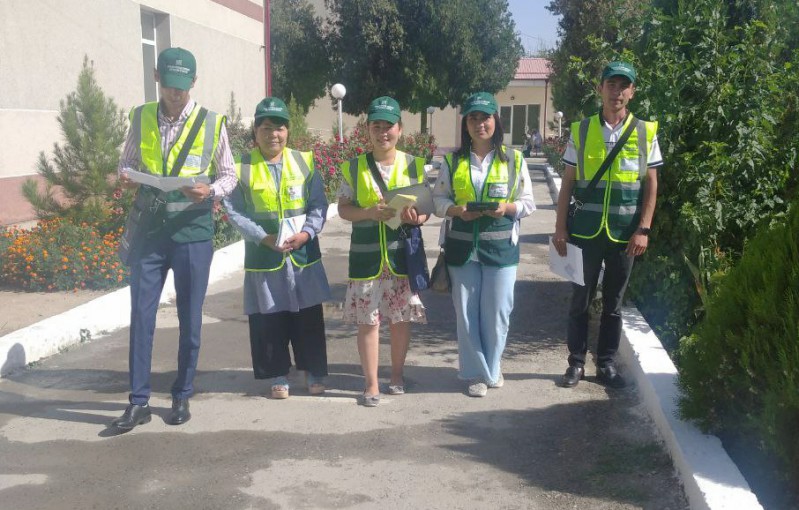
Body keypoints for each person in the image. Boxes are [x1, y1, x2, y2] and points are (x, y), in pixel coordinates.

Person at [113, 47, 237, 430]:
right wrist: (126, 174)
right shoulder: (141, 116)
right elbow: (127, 162)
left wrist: (211, 191)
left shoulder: (213, 123)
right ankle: (138, 402)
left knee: (189, 318)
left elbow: (230, 175)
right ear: (157, 78)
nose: (174, 94)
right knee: (141, 316)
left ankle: (182, 395)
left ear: (193, 84)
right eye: (169, 86)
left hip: (192, 232)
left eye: (181, 88)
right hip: (151, 231)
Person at [553, 61, 663, 389]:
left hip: (624, 234)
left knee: (614, 304)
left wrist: (643, 229)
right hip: (585, 231)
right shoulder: (582, 130)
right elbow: (568, 183)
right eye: (611, 85)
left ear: (632, 92)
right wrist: (560, 228)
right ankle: (575, 364)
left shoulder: (645, 132)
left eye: (623, 86)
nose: (617, 91)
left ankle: (606, 364)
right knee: (580, 300)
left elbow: (652, 186)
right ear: (600, 88)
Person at [223, 97, 331, 399]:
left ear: (288, 131)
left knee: (308, 316)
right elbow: (233, 210)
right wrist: (263, 237)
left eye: (280, 128)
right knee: (269, 317)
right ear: (255, 131)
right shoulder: (241, 168)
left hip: (303, 256)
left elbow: (318, 204)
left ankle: (313, 371)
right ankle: (277, 373)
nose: (274, 134)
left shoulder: (303, 161)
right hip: (264, 255)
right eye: (267, 127)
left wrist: (308, 233)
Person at [432, 92, 535, 397]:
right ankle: (478, 373)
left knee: (498, 312)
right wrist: (455, 210)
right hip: (462, 250)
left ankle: (493, 366)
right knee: (466, 314)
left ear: (495, 121)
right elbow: (438, 201)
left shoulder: (514, 159)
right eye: (473, 118)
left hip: (501, 250)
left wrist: (507, 208)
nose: (480, 124)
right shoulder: (452, 161)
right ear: (466, 124)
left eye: (485, 118)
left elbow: (528, 203)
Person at [337, 96, 429, 407]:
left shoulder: (414, 164)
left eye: (388, 126)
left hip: (401, 256)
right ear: (368, 130)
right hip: (365, 258)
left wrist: (416, 217)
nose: (382, 132)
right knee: (369, 321)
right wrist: (367, 213)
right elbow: (344, 209)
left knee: (400, 320)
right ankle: (371, 383)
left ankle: (397, 375)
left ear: (400, 129)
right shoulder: (353, 167)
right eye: (376, 126)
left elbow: (426, 210)